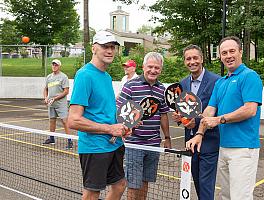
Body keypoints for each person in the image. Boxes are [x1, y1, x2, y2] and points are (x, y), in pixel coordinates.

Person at [186, 36, 263, 200]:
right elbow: (209, 111)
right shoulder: (221, 82)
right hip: (223, 148)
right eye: (224, 53)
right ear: (220, 56)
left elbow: (250, 110)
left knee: (240, 197)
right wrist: (199, 134)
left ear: (240, 52)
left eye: (232, 51)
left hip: (243, 148)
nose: (228, 56)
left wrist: (220, 119)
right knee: (226, 196)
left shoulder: (250, 76)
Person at [67, 30, 131, 200]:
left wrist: (122, 127)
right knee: (92, 193)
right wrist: (110, 129)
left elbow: (105, 111)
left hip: (113, 144)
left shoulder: (106, 76)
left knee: (120, 185)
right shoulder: (84, 75)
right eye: (105, 46)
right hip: (95, 147)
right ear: (94, 48)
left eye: (112, 47)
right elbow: (73, 120)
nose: (110, 51)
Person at [117, 52, 171, 200]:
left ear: (161, 70)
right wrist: (129, 121)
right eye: (150, 67)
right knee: (133, 184)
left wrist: (167, 137)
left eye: (157, 68)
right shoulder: (131, 85)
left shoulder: (162, 89)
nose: (153, 70)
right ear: (143, 67)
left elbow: (164, 114)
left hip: (153, 143)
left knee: (145, 181)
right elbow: (119, 108)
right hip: (133, 143)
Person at [171, 45, 220, 200]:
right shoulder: (182, 84)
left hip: (209, 141)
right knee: (198, 182)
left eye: (195, 58)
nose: (192, 61)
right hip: (190, 142)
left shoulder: (217, 81)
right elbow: (185, 112)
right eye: (188, 58)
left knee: (206, 185)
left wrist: (196, 121)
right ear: (185, 61)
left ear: (202, 59)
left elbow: (218, 111)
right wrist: (180, 118)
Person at [43, 59, 73, 149]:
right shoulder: (49, 77)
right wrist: (45, 98)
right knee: (52, 121)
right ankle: (51, 139)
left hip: (61, 104)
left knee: (64, 121)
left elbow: (66, 91)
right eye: (53, 65)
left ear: (59, 66)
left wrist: (55, 98)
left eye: (56, 65)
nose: (54, 66)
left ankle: (69, 141)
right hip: (51, 104)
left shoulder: (63, 77)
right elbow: (45, 89)